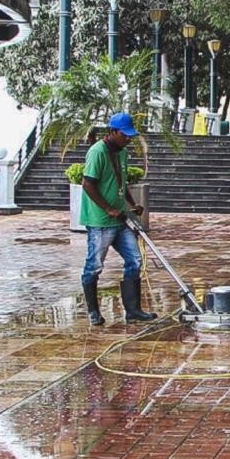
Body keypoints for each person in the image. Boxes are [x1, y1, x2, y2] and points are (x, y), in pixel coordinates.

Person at [78, 112, 155, 326]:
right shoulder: (97, 152)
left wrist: (131, 204)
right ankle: (93, 311)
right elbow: (87, 184)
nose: (128, 139)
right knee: (94, 265)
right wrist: (108, 209)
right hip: (100, 222)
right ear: (112, 132)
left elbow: (122, 183)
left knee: (134, 260)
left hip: (121, 220)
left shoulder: (121, 152)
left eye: (130, 135)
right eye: (125, 135)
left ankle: (133, 310)